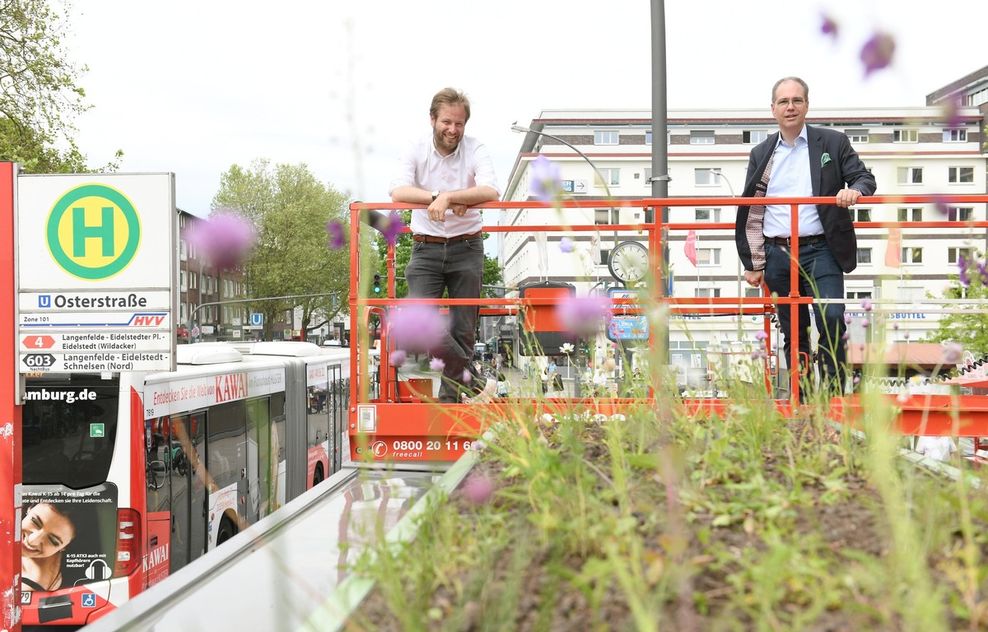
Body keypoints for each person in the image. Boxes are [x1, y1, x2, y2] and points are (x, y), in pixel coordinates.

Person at [735, 77, 876, 395]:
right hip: (778, 253)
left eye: (797, 100)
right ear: (772, 109)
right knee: (793, 328)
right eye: (783, 102)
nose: (790, 107)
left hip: (822, 248)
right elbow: (752, 208)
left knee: (832, 315)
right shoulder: (762, 153)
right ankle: (802, 397)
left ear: (807, 106)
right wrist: (753, 261)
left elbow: (864, 177)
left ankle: (832, 393)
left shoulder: (832, 142)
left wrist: (854, 190)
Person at [390, 88, 500, 404]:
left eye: (459, 124)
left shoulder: (476, 148)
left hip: (468, 247)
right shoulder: (415, 147)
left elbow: (490, 190)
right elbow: (398, 190)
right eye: (447, 122)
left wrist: (450, 198)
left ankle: (451, 402)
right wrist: (436, 197)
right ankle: (476, 380)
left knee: (463, 330)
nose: (453, 130)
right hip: (427, 247)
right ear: (432, 120)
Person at [21, 502, 77, 592]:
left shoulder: (35, 581)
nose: (32, 541)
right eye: (35, 521)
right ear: (29, 509)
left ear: (65, 547)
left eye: (53, 541)